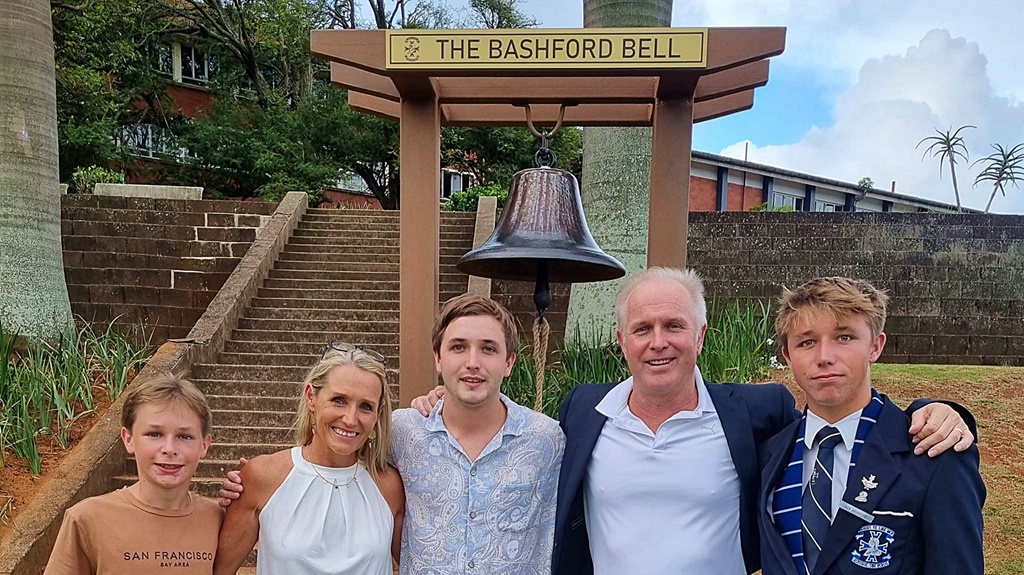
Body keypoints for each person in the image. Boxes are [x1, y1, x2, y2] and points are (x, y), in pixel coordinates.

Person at [552, 267, 975, 575]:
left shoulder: (754, 414)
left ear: (699, 336)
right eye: (642, 328)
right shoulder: (583, 411)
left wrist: (942, 410)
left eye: (844, 337)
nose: (658, 341)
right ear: (622, 339)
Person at [219, 294, 564, 575]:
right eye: (458, 347)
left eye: (488, 348)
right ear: (438, 359)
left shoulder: (548, 440)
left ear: (509, 362)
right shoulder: (407, 430)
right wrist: (241, 484)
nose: (473, 362)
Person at [758, 277, 984, 575]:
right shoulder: (770, 455)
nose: (824, 357)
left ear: (875, 346)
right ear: (788, 355)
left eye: (844, 337)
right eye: (807, 342)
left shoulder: (935, 454)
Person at [212, 344, 404, 575]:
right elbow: (219, 570)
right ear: (311, 397)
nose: (351, 419)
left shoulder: (389, 486)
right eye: (339, 400)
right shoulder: (264, 476)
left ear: (379, 413)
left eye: (365, 406)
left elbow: (426, 562)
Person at [43, 375, 222, 575]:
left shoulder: (217, 519)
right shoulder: (87, 518)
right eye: (154, 434)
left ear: (204, 445)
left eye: (184, 436)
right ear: (128, 439)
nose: (170, 449)